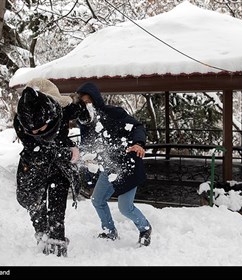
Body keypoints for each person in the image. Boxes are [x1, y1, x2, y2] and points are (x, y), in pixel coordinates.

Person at [14, 78, 90, 257]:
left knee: (57, 208)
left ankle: (57, 245)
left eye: (42, 128)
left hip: (59, 169)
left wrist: (85, 112)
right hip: (34, 165)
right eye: (33, 131)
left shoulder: (62, 109)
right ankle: (42, 237)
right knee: (36, 205)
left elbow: (79, 109)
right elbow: (37, 150)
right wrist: (68, 153)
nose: (37, 133)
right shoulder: (22, 119)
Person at [76, 82, 152, 246]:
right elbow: (88, 146)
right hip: (108, 167)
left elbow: (137, 127)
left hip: (127, 166)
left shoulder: (113, 113)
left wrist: (139, 143)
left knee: (125, 207)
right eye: (83, 102)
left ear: (96, 99)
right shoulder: (85, 123)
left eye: (89, 100)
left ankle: (145, 229)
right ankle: (109, 231)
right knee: (97, 199)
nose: (87, 105)